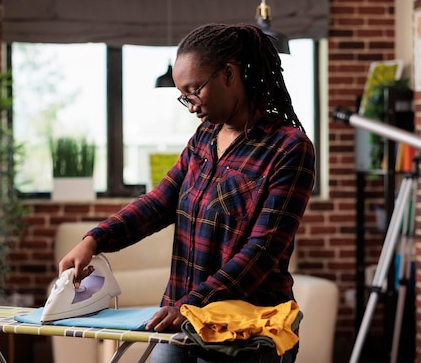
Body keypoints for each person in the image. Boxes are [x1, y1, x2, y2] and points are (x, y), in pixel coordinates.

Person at [58, 23, 316, 363]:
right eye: (184, 96)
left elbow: (263, 251)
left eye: (195, 91)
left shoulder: (288, 148)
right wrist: (94, 240)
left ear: (228, 74)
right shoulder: (204, 138)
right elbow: (158, 203)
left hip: (244, 329)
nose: (191, 106)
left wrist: (194, 303)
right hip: (181, 318)